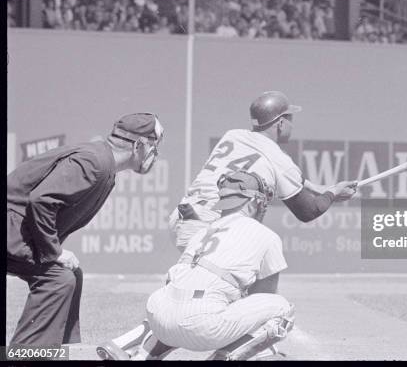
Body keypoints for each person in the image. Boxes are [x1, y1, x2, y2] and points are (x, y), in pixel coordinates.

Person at [97, 91, 357, 360]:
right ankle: (230, 351)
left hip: (187, 217)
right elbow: (308, 210)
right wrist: (332, 195)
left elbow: (296, 178)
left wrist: (324, 188)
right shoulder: (279, 159)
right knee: (218, 299)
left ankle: (131, 346)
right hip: (214, 221)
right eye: (290, 117)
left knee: (195, 295)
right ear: (280, 122)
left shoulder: (234, 135)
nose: (292, 123)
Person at [7, 112, 164, 346]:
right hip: (13, 228)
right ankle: (24, 356)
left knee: (69, 274)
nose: (155, 152)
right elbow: (41, 200)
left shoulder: (102, 163)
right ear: (139, 145)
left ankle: (57, 351)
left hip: (17, 229)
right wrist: (56, 252)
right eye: (153, 144)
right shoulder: (95, 162)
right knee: (58, 279)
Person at [131, 170, 294, 360]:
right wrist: (253, 345)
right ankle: (224, 357)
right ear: (252, 202)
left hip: (157, 318)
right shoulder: (267, 236)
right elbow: (263, 296)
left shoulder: (202, 232)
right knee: (282, 309)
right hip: (202, 326)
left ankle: (143, 355)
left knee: (180, 300)